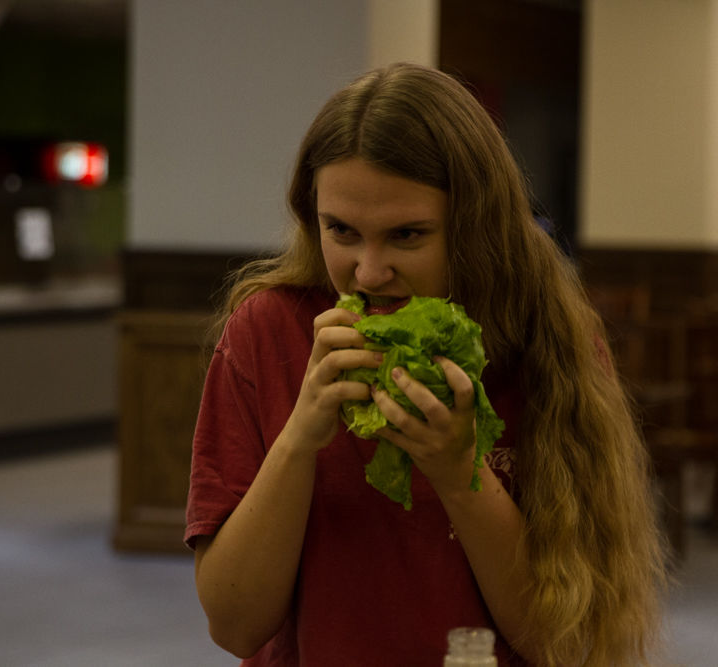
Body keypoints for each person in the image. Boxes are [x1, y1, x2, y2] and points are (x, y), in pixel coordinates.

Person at [185, 63, 668, 666]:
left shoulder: (549, 340)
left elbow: (569, 643)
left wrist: (459, 470)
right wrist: (298, 439)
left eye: (407, 235)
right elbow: (235, 626)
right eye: (342, 231)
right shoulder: (267, 333)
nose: (368, 272)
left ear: (474, 229)